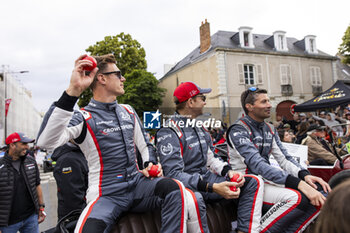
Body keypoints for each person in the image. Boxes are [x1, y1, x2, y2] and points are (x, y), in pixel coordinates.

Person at [37, 55, 207, 233]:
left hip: (138, 186)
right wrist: (73, 90)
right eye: (118, 74)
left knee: (176, 188)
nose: (123, 78)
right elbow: (46, 142)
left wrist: (149, 164)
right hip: (106, 195)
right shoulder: (83, 116)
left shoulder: (128, 110)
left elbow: (146, 146)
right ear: (102, 78)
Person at [156, 82, 263, 233]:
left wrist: (229, 172)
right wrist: (212, 187)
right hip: (189, 186)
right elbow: (173, 174)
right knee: (196, 199)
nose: (205, 101)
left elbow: (211, 159)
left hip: (206, 180)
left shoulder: (200, 127)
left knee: (252, 181)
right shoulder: (168, 131)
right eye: (202, 97)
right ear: (190, 102)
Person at [227, 87, 331, 233]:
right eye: (264, 102)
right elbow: (257, 165)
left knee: (322, 194)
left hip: (267, 182)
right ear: (249, 107)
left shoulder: (270, 128)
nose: (269, 105)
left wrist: (305, 175)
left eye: (269, 101)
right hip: (248, 185)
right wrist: (298, 183)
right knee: (296, 199)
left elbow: (284, 159)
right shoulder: (238, 130)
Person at [0, 132, 46, 233]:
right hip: (7, 223)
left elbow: (37, 185)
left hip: (31, 218)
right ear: (12, 145)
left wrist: (41, 207)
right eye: (24, 144)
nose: (27, 147)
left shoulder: (30, 161)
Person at [52, 142, 88, 220]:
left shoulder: (78, 153)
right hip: (75, 215)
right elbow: (72, 195)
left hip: (80, 212)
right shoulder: (68, 159)